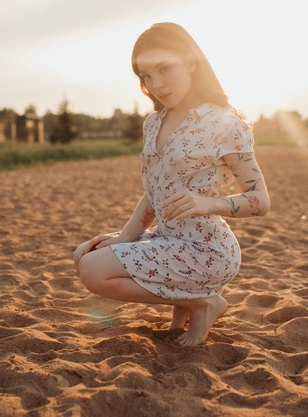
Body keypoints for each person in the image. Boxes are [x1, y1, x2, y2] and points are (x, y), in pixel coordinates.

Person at [73, 22, 270, 347]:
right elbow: (154, 191)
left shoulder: (223, 123)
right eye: (146, 76)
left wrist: (209, 203)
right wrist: (124, 237)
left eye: (165, 69)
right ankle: (187, 301)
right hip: (166, 239)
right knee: (84, 254)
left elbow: (260, 200)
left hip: (207, 248)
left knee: (94, 271)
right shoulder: (153, 123)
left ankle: (202, 303)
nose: (156, 84)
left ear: (191, 62)